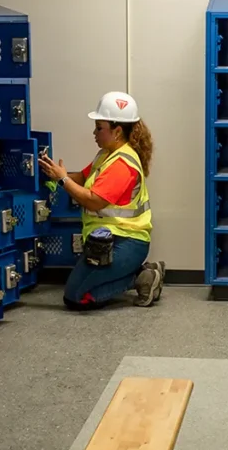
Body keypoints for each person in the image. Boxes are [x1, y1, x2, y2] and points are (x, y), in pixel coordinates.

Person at [38, 91, 164, 309]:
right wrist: (54, 173)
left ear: (116, 131)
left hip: (127, 243)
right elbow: (83, 178)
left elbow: (93, 201)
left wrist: (62, 180)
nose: (94, 133)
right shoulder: (107, 154)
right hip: (108, 241)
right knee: (78, 290)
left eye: (99, 128)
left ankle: (142, 278)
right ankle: (140, 274)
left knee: (75, 297)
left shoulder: (122, 164)